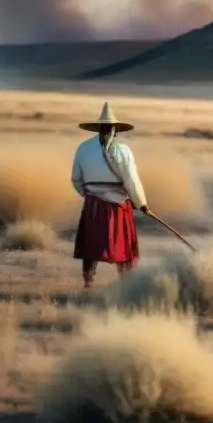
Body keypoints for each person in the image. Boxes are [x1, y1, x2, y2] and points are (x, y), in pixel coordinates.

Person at [70, 102, 149, 289]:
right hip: (118, 204)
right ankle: (126, 283)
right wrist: (141, 203)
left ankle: (88, 282)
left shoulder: (83, 148)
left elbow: (76, 179)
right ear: (116, 129)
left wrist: (89, 194)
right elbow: (131, 180)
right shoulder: (123, 150)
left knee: (91, 246)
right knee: (125, 249)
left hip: (93, 204)